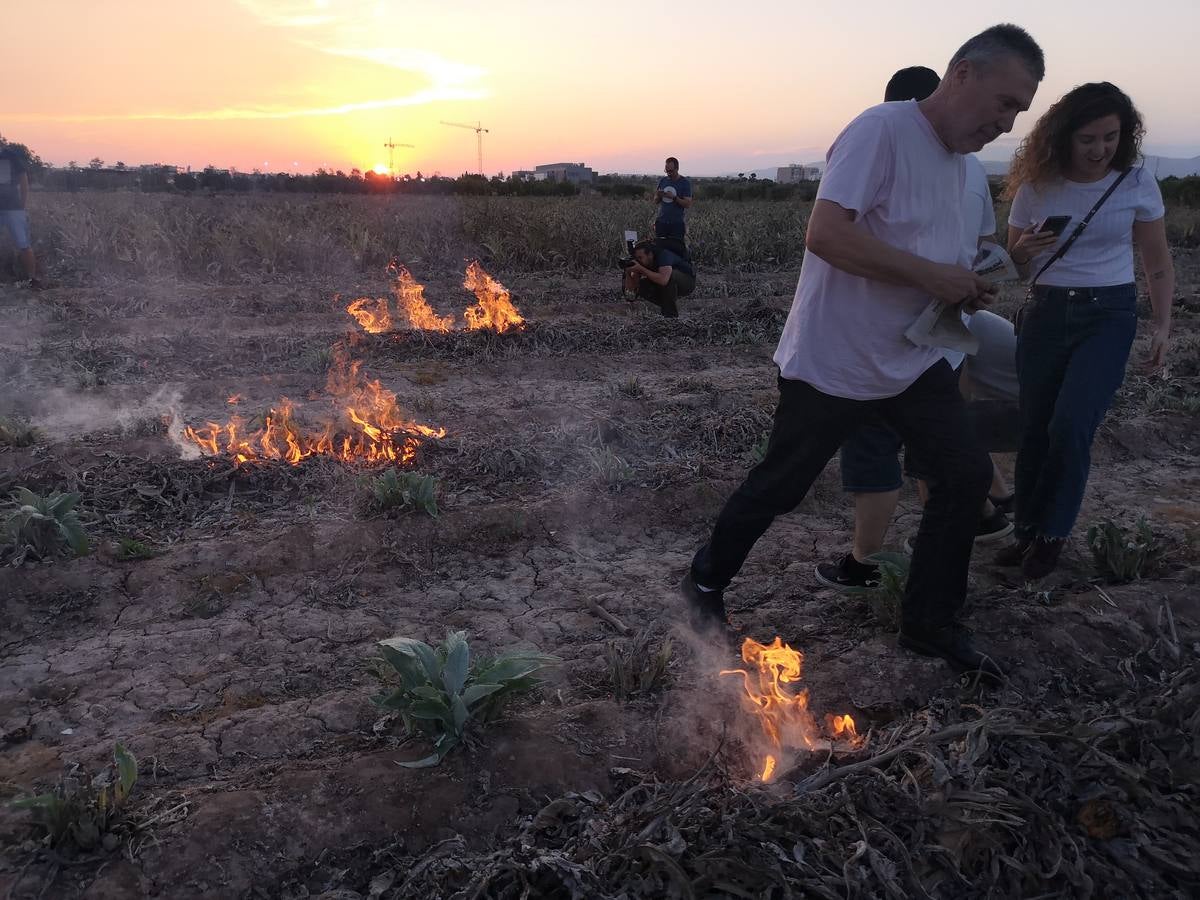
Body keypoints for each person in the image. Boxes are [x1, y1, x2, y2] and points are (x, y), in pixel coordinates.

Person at [680, 24, 1045, 680]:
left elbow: (930, 257)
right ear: (961, 73)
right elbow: (824, 234)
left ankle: (930, 621)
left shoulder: (960, 166)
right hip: (836, 362)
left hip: (913, 359)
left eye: (1018, 112)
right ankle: (704, 583)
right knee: (781, 485)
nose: (1006, 122)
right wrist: (933, 277)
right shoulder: (880, 131)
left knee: (963, 479)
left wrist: (965, 280)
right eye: (1004, 103)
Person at [816, 65, 1020, 591]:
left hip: (886, 336)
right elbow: (979, 249)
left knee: (874, 439)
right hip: (948, 334)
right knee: (941, 441)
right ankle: (978, 522)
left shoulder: (894, 149)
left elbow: (839, 240)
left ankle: (866, 563)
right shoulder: (969, 166)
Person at [997, 82, 1174, 579]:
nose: (1101, 150)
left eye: (1111, 137)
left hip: (1108, 313)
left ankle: (1053, 534)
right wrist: (1025, 249)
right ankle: (1026, 531)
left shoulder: (1136, 183)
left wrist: (1162, 325)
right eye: (1088, 139)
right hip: (1046, 311)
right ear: (1063, 138)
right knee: (1034, 427)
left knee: (1071, 426)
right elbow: (1012, 265)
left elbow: (1157, 263)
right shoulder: (1037, 187)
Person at [0, 144, 45, 290]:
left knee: (23, 244)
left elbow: (23, 178)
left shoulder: (10, 155)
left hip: (14, 208)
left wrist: (23, 205)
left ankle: (32, 278)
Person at [623, 239, 695, 318]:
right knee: (642, 285)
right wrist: (628, 272)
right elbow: (632, 288)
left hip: (687, 282)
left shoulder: (663, 255)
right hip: (668, 284)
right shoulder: (641, 263)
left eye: (640, 257)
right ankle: (667, 307)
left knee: (668, 277)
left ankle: (670, 316)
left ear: (650, 254)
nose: (639, 261)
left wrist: (641, 269)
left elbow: (664, 280)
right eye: (637, 258)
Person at [654, 157, 693, 255]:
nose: (668, 173)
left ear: (677, 169)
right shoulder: (663, 181)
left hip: (676, 224)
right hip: (661, 222)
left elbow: (687, 204)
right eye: (666, 171)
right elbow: (655, 201)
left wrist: (674, 198)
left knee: (676, 251)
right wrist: (659, 196)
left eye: (670, 171)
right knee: (660, 251)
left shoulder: (685, 183)